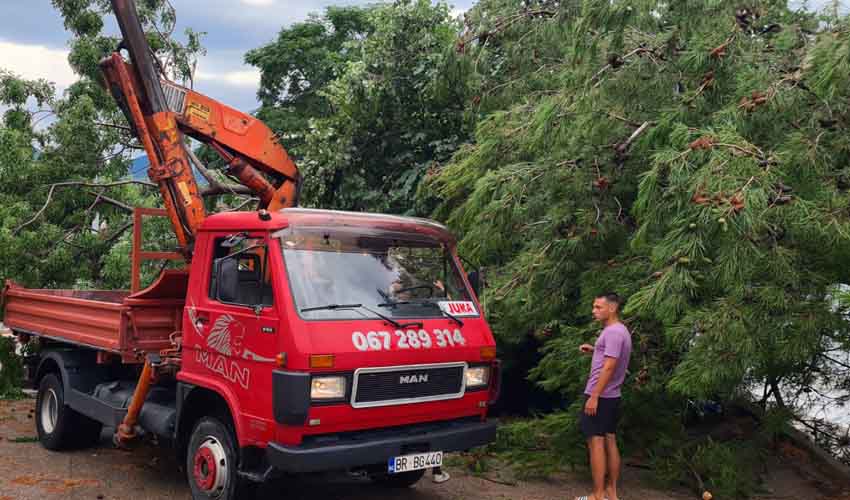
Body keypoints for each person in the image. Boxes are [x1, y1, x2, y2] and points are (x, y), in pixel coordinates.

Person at [575, 292, 632, 500]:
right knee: (609, 439)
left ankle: (597, 496)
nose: (594, 311)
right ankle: (611, 492)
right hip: (613, 396)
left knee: (595, 443)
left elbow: (609, 367)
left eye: (598, 307)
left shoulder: (613, 333)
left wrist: (594, 396)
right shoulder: (620, 331)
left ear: (612, 308)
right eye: (594, 306)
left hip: (601, 396)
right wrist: (595, 350)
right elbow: (613, 358)